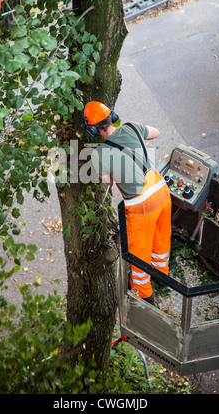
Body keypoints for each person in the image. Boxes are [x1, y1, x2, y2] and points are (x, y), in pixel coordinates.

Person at [84, 101, 172, 304]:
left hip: (142, 205)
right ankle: (162, 276)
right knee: (161, 239)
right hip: (161, 191)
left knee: (138, 255)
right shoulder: (132, 127)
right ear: (111, 117)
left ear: (92, 129)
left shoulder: (99, 154)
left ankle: (144, 295)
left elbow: (108, 181)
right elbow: (156, 133)